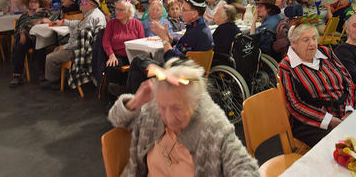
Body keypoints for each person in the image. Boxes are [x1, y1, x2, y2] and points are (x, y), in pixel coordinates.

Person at [108, 58, 260, 176]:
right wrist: (136, 101)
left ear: (196, 101)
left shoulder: (212, 126)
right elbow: (117, 119)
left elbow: (243, 165)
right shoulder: (152, 110)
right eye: (162, 107)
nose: (168, 117)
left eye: (177, 108)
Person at [278, 23, 356, 147]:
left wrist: (349, 110)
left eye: (314, 38)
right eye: (306, 40)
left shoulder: (326, 52)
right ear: (294, 43)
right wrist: (329, 120)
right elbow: (294, 104)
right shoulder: (286, 67)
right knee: (342, 145)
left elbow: (348, 82)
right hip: (312, 123)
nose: (312, 44)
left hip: (343, 112)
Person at [41, 0, 106, 89]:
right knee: (56, 49)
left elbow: (82, 42)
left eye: (84, 1)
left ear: (92, 4)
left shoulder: (92, 18)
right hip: (83, 47)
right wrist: (64, 22)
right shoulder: (92, 14)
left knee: (50, 57)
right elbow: (79, 23)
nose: (80, 3)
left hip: (82, 51)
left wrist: (66, 46)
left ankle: (53, 81)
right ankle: (59, 77)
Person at [103, 0, 145, 99]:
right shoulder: (111, 24)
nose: (116, 12)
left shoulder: (137, 24)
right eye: (116, 9)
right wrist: (111, 55)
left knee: (142, 69)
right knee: (112, 67)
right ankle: (111, 100)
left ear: (128, 12)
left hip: (134, 56)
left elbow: (142, 42)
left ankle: (132, 96)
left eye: (120, 10)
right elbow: (106, 41)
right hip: (118, 55)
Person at [10, 0, 53, 87]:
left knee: (39, 45)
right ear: (28, 4)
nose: (32, 3)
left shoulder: (45, 12)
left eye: (35, 2)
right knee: (20, 46)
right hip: (27, 38)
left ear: (39, 4)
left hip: (41, 37)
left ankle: (42, 73)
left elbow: (53, 21)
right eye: (31, 2)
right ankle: (17, 75)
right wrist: (21, 33)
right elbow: (19, 27)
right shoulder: (23, 16)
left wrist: (43, 20)